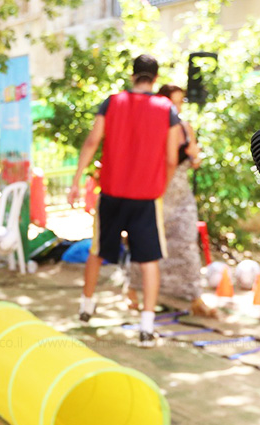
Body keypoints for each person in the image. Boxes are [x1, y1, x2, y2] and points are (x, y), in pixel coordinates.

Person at [66, 54, 183, 348]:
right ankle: (145, 328)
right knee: (149, 260)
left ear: (133, 76)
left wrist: (77, 179)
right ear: (155, 80)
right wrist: (161, 187)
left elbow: (93, 141)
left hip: (112, 193)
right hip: (146, 197)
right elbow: (172, 158)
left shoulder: (113, 101)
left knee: (97, 250)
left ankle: (85, 307)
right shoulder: (166, 108)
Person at [126, 84, 213, 317]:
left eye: (180, 102)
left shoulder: (185, 127)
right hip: (154, 192)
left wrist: (196, 156)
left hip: (180, 194)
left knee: (186, 244)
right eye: (174, 102)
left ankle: (194, 298)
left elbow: (194, 159)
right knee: (146, 244)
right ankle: (134, 291)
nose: (178, 107)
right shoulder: (150, 127)